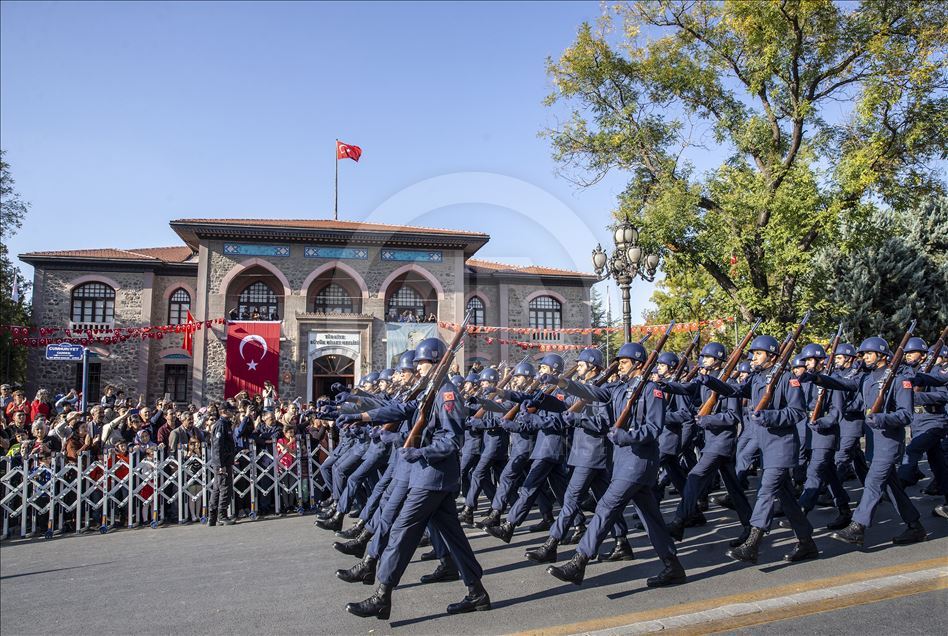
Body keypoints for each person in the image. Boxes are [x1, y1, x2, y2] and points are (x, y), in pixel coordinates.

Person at [344, 337, 491, 619]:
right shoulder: (429, 392)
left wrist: (421, 452)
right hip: (430, 478)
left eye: (422, 362)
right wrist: (362, 416)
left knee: (402, 531)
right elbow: (400, 410)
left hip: (432, 478)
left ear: (436, 363)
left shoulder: (447, 394)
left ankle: (382, 595)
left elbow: (451, 440)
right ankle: (477, 593)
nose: (418, 367)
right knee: (454, 537)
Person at [207, 403, 237, 526]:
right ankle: (221, 516)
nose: (232, 412)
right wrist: (220, 465)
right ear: (223, 411)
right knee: (224, 488)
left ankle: (213, 517)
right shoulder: (221, 425)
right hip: (222, 462)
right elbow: (218, 446)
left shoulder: (226, 424)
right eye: (230, 410)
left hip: (225, 461)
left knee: (218, 489)